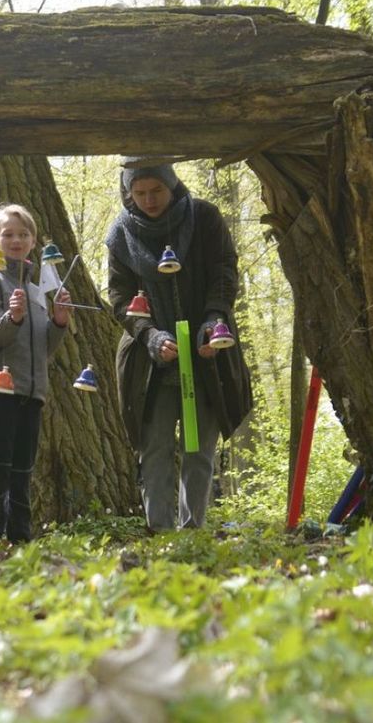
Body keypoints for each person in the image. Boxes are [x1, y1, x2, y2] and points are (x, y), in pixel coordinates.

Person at [105, 159, 252, 532]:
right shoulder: (121, 234)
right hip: (150, 362)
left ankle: (193, 530)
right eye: (139, 193)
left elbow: (224, 270)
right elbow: (120, 297)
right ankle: (159, 531)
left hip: (206, 353)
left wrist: (212, 319)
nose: (149, 200)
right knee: (154, 447)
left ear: (172, 185)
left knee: (198, 448)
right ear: (129, 193)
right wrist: (150, 335)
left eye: (156, 191)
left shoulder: (204, 218)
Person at [0, 204, 71, 543]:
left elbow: (45, 348)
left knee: (22, 469)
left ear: (33, 242)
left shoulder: (36, 289)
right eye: (8, 234)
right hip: (0, 390)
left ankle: (20, 536)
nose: (16, 240)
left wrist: (59, 321)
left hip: (33, 390)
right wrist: (12, 317)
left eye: (23, 234)